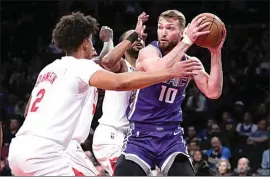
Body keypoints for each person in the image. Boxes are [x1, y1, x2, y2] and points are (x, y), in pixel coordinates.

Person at [7, 11, 201, 176]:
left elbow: (27, 113)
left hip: (21, 146)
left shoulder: (49, 69)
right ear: (84, 43)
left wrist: (133, 36)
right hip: (49, 150)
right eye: (91, 42)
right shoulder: (82, 67)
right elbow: (117, 80)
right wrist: (170, 72)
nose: (93, 47)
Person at [115, 9, 226, 176]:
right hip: (141, 135)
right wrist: (187, 41)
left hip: (171, 137)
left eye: (170, 28)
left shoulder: (190, 62)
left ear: (182, 32)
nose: (164, 33)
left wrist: (215, 52)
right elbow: (157, 70)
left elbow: (213, 92)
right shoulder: (149, 52)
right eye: (161, 27)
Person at [92, 12, 148, 176]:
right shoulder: (122, 66)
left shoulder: (145, 73)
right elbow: (108, 61)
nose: (139, 40)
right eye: (133, 38)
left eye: (141, 38)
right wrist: (109, 41)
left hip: (131, 139)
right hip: (111, 136)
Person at [65, 25, 115, 176]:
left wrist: (108, 41)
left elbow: (104, 61)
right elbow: (107, 60)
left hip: (67, 144)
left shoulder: (82, 71)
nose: (95, 53)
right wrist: (108, 40)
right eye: (93, 48)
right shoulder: (79, 68)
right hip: (65, 144)